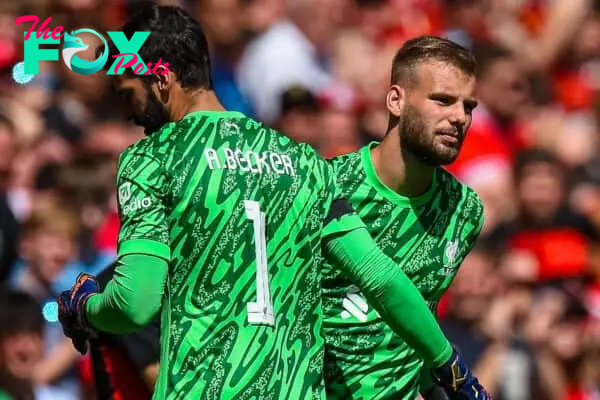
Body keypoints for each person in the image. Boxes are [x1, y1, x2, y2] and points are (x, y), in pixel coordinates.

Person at [57, 6, 489, 400]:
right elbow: (382, 278)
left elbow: (135, 303)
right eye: (445, 100)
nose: (130, 111)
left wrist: (86, 308)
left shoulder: (154, 157)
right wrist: (454, 370)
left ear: (161, 80)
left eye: (129, 92)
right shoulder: (303, 163)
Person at [322, 36, 485, 400]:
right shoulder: (325, 186)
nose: (459, 117)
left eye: (468, 106)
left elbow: (417, 325)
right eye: (443, 100)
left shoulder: (464, 210)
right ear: (396, 100)